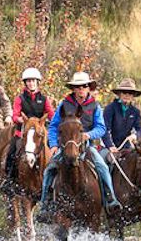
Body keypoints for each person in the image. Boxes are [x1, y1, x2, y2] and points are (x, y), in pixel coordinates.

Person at [37, 72, 119, 224]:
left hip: (86, 145)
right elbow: (54, 126)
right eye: (78, 87)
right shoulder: (64, 105)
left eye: (84, 86)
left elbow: (101, 127)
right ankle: (45, 205)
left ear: (88, 88)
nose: (81, 89)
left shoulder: (95, 105)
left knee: (102, 167)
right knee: (49, 169)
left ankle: (110, 200)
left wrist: (88, 135)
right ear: (73, 89)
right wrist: (54, 145)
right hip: (65, 145)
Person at [6, 67, 55, 179]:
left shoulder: (44, 99)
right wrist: (21, 120)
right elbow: (15, 115)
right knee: (11, 153)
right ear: (25, 83)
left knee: (54, 152)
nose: (31, 83)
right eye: (29, 81)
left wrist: (55, 122)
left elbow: (51, 114)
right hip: (23, 132)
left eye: (33, 81)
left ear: (37, 82)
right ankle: (10, 180)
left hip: (39, 133)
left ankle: (53, 181)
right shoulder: (20, 98)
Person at [102, 78, 141, 157]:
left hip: (127, 147)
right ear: (119, 94)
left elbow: (139, 130)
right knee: (103, 166)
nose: (127, 95)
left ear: (133, 96)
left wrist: (134, 136)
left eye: (130, 93)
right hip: (108, 146)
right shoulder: (110, 108)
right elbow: (105, 129)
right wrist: (110, 146)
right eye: (124, 92)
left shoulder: (135, 112)